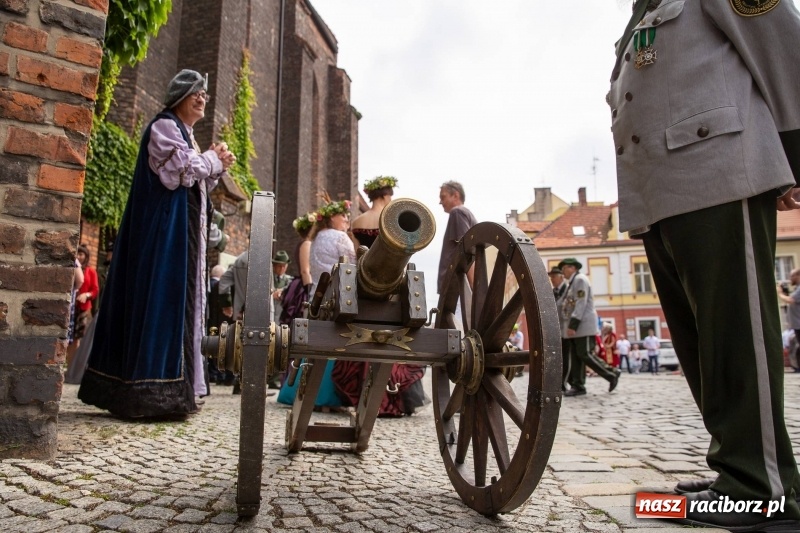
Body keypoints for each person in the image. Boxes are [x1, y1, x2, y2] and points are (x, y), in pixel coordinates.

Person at [609, 2, 800, 529]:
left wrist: (792, 160)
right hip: (658, 192)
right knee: (702, 345)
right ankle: (740, 471)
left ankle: (760, 489)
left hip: (719, 170)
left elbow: (783, 50)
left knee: (737, 334)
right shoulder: (640, 11)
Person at [79, 69, 235, 418]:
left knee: (182, 306)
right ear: (178, 96)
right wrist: (211, 161)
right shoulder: (165, 126)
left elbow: (193, 183)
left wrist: (216, 166)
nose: (202, 98)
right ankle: (149, 392)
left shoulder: (188, 137)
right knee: (162, 299)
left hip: (181, 235)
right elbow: (177, 173)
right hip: (163, 235)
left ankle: (176, 391)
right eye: (195, 92)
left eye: (204, 94)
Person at [278, 197, 353, 409]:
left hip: (317, 295)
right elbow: (352, 266)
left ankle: (301, 390)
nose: (347, 220)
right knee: (335, 342)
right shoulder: (341, 238)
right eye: (343, 216)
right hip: (338, 295)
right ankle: (327, 395)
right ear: (332, 218)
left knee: (314, 343)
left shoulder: (317, 238)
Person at [560, 258, 620, 396]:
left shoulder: (580, 280)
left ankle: (612, 373)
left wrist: (573, 324)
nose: (563, 272)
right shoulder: (573, 282)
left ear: (573, 268)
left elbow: (581, 302)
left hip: (583, 325)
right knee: (577, 357)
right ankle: (578, 385)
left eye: (564, 269)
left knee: (585, 354)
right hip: (576, 327)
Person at [437, 180, 478, 331]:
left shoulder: (458, 213)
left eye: (443, 197)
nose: (440, 202)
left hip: (458, 287)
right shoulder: (464, 214)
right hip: (460, 286)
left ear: (456, 195)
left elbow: (467, 252)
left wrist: (474, 288)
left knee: (457, 335)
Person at [66, 245, 98, 368]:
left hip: (83, 308)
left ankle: (71, 367)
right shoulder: (73, 268)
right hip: (70, 306)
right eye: (77, 254)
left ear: (86, 256)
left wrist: (86, 294)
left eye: (81, 254)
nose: (79, 256)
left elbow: (95, 290)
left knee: (76, 337)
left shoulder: (91, 271)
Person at [350, 175, 396, 248]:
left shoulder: (356, 222)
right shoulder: (391, 219)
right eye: (390, 196)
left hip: (366, 259)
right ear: (385, 196)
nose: (391, 199)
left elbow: (357, 252)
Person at [271, 250, 293, 324]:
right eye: (279, 266)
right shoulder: (269, 279)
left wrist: (282, 291)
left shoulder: (289, 280)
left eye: (284, 266)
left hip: (281, 314)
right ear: (274, 266)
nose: (282, 268)